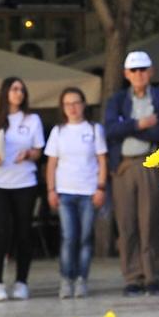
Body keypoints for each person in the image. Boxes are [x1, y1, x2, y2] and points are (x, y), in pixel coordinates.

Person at [101, 50, 159, 295]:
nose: (139, 74)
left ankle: (152, 276)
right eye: (134, 70)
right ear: (126, 73)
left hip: (150, 164)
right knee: (126, 224)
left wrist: (129, 128)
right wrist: (139, 124)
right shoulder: (117, 100)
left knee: (150, 222)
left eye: (143, 69)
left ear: (151, 71)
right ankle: (132, 277)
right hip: (123, 166)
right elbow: (110, 130)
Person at [0, 76, 45, 302]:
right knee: (0, 231)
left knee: (24, 231)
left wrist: (28, 154)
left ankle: (21, 281)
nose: (19, 93)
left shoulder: (32, 119)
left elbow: (38, 150)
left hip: (24, 181)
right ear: (5, 92)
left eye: (22, 90)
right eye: (14, 89)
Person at [45, 87, 107, 299]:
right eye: (67, 103)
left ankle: (82, 279)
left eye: (76, 102)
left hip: (88, 191)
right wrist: (50, 189)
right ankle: (66, 279)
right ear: (62, 107)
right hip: (65, 192)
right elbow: (51, 163)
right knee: (68, 237)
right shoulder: (58, 131)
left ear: (83, 105)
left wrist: (101, 187)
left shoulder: (94, 129)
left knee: (85, 237)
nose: (72, 107)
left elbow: (102, 159)